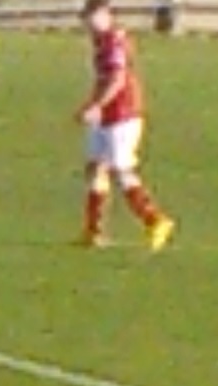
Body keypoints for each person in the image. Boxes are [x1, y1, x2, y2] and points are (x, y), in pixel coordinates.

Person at [76, 0, 176, 251]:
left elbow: (117, 79)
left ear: (106, 14)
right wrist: (93, 105)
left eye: (93, 16)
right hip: (105, 116)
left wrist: (97, 105)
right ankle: (93, 231)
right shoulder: (100, 40)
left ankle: (156, 220)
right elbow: (103, 79)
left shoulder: (113, 41)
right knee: (95, 168)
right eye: (86, 17)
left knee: (122, 171)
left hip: (123, 115)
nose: (88, 22)